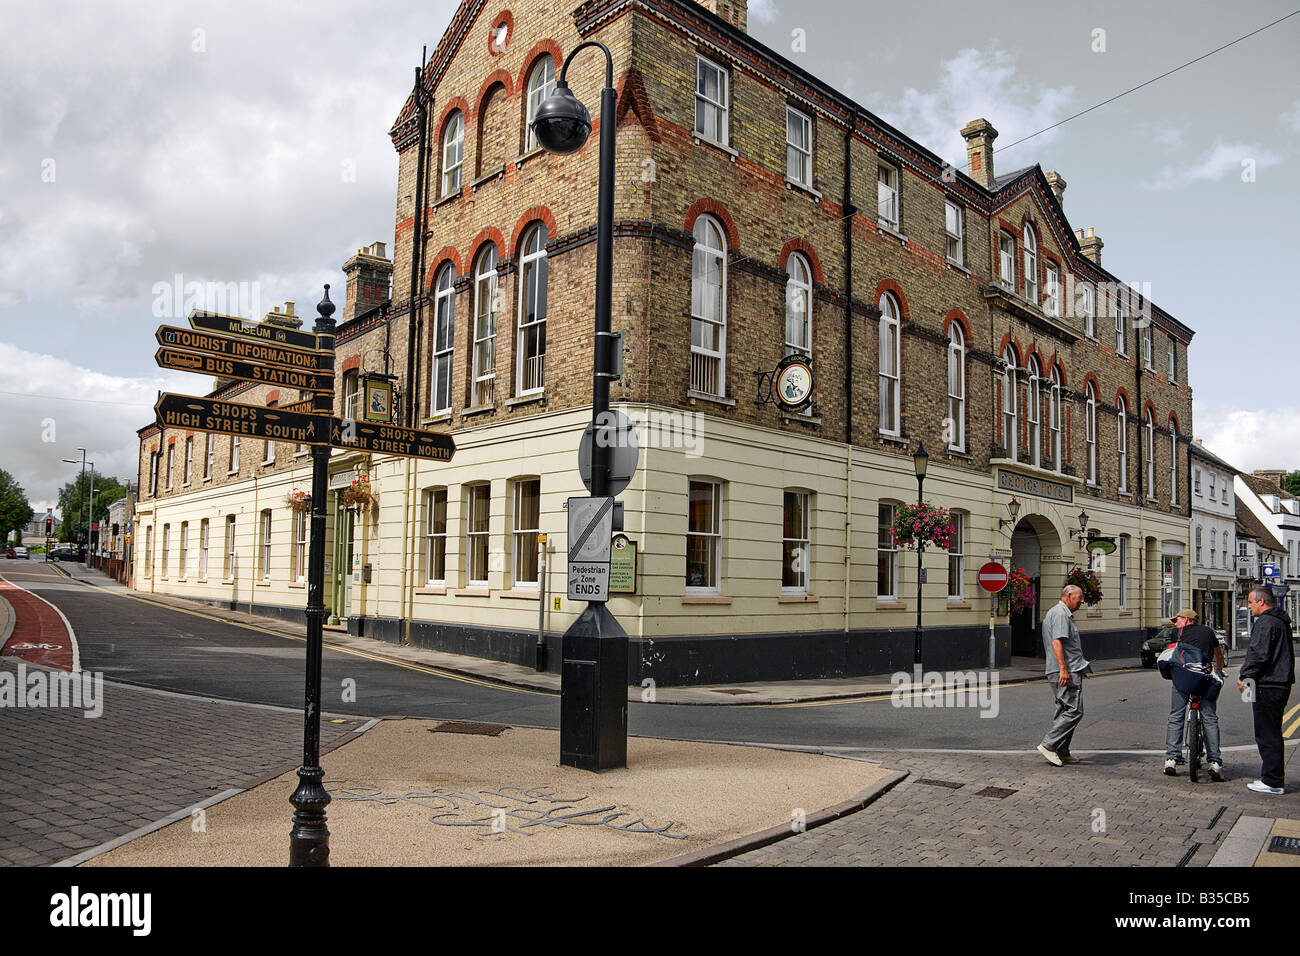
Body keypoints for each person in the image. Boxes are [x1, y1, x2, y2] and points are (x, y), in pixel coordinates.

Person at [1236, 587, 1295, 794]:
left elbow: (1258, 654)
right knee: (1273, 732)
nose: (1249, 606)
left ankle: (1272, 781)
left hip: (1268, 684)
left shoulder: (1265, 623)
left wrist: (1245, 677)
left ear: (1261, 602)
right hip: (1280, 683)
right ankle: (1273, 778)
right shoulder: (1281, 622)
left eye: (1251, 602)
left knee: (1266, 734)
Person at [1161, 609, 1225, 780]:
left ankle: (1171, 759)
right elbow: (1218, 654)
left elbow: (1171, 655)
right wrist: (1219, 670)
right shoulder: (1209, 632)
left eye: (1178, 619)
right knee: (1210, 718)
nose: (1175, 623)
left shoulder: (1177, 634)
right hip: (1204, 678)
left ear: (1187, 620)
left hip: (1183, 679)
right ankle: (1215, 762)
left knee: (1176, 715)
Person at [1037, 584, 1090, 766]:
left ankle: (1062, 750)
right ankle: (1049, 745)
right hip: (1066, 669)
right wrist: (1063, 669)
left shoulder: (1058, 612)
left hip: (1064, 668)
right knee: (1075, 710)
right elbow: (1057, 642)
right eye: (1079, 597)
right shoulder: (1060, 614)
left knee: (1063, 710)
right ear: (1068, 595)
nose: (1082, 601)